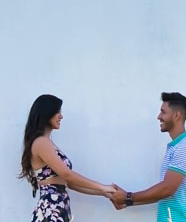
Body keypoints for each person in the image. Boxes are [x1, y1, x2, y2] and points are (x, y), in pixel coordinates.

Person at [105, 92, 186, 220]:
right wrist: (128, 201)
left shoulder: (183, 147)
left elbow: (167, 189)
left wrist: (128, 197)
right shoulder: (177, 147)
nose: (159, 117)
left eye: (163, 112)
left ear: (176, 115)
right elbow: (163, 193)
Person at [20, 94, 116, 222]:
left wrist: (102, 193)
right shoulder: (41, 142)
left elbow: (69, 183)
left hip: (58, 209)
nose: (61, 116)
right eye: (57, 112)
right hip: (50, 211)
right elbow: (66, 174)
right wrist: (103, 187)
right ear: (46, 113)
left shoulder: (48, 143)